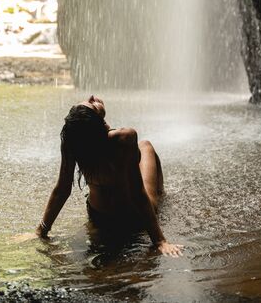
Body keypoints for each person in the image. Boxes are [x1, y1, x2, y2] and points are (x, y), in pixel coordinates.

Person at [36, 95, 183, 257]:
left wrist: (41, 230)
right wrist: (160, 241)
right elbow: (137, 192)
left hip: (99, 216)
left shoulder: (73, 140)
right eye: (92, 105)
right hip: (133, 216)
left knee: (141, 150)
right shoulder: (125, 137)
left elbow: (62, 189)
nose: (92, 97)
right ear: (97, 122)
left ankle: (158, 194)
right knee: (146, 145)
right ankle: (159, 194)